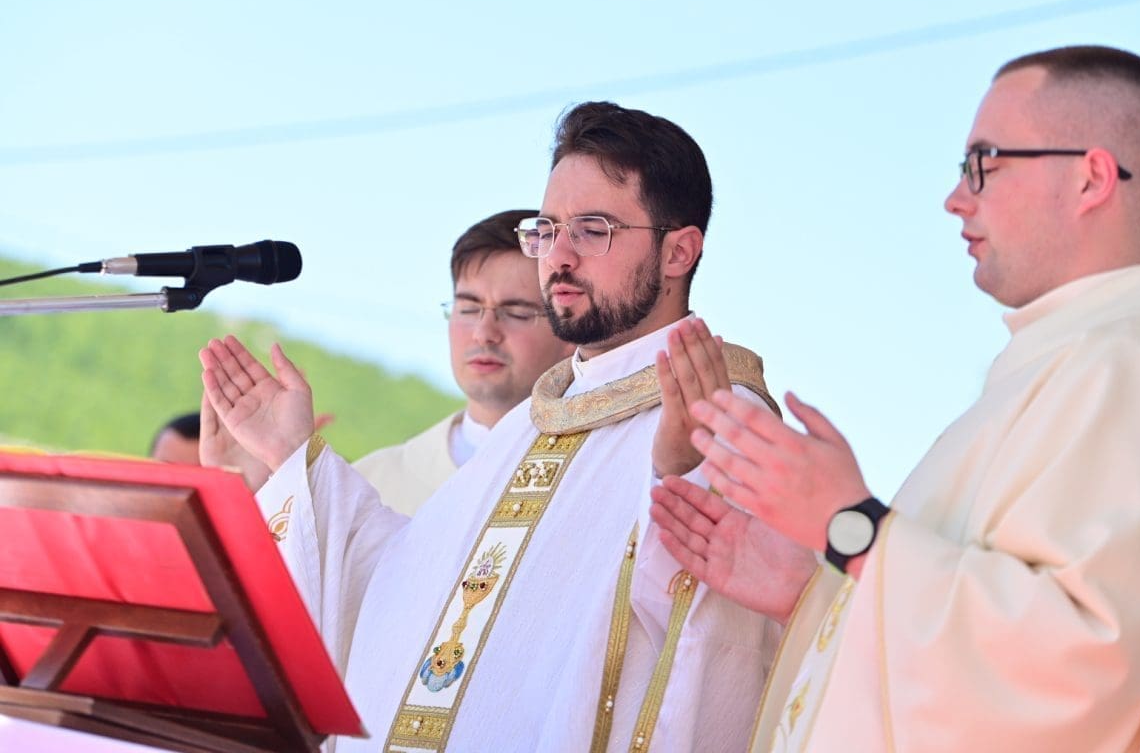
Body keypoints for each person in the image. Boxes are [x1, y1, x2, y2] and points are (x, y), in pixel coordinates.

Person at [651, 45, 1140, 752]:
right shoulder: (1073, 361)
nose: (956, 198)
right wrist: (815, 590)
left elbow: (1074, 667)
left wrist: (850, 525)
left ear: (1090, 178)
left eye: (984, 163)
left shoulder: (1131, 363)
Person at [199, 101, 786, 752]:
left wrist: (680, 477)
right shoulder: (531, 425)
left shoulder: (723, 417)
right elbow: (404, 585)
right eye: (548, 229)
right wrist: (288, 456)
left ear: (679, 251)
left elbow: (721, 649)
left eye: (592, 230)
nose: (558, 256)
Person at [351, 209, 574, 516]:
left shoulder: (595, 473)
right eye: (468, 309)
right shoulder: (370, 484)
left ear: (569, 332)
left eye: (517, 312)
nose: (484, 333)